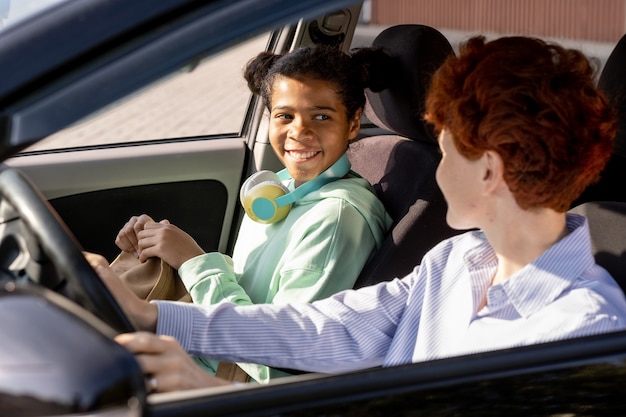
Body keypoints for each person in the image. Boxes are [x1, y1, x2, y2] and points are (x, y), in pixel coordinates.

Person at [87, 35, 626, 393]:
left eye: (446, 151)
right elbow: (331, 326)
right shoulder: (460, 260)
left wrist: (210, 393)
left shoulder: (583, 333)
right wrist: (153, 317)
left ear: (487, 170)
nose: (437, 171)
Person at [111, 45, 393, 383]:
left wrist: (193, 262)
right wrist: (165, 247)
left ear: (353, 122)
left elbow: (282, 359)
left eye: (321, 116)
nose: (299, 131)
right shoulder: (284, 186)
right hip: (213, 349)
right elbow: (254, 291)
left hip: (230, 379)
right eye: (284, 116)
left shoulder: (336, 219)